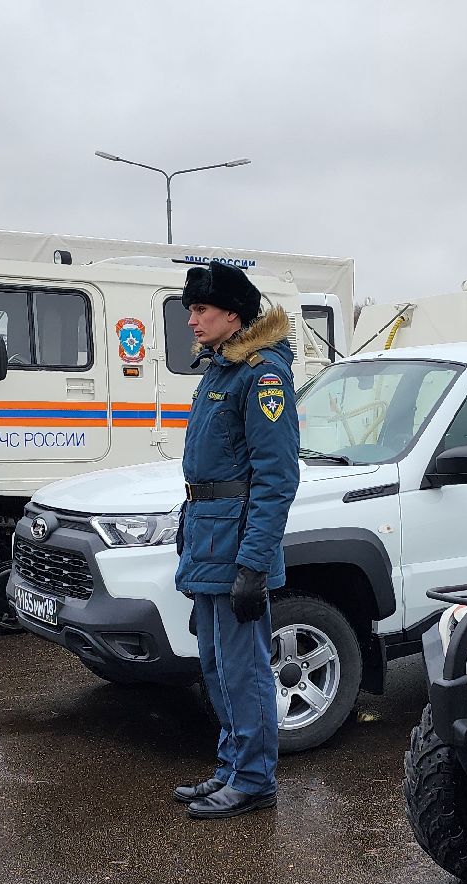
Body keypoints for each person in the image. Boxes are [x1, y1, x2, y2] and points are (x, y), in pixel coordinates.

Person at [169, 262, 300, 820]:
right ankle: (230, 764)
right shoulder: (220, 370)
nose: (192, 321)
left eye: (200, 311)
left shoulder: (262, 375)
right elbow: (205, 474)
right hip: (207, 537)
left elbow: (276, 478)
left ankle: (253, 778)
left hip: (237, 545)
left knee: (244, 667)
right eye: (190, 311)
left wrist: (253, 565)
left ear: (234, 315)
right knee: (216, 663)